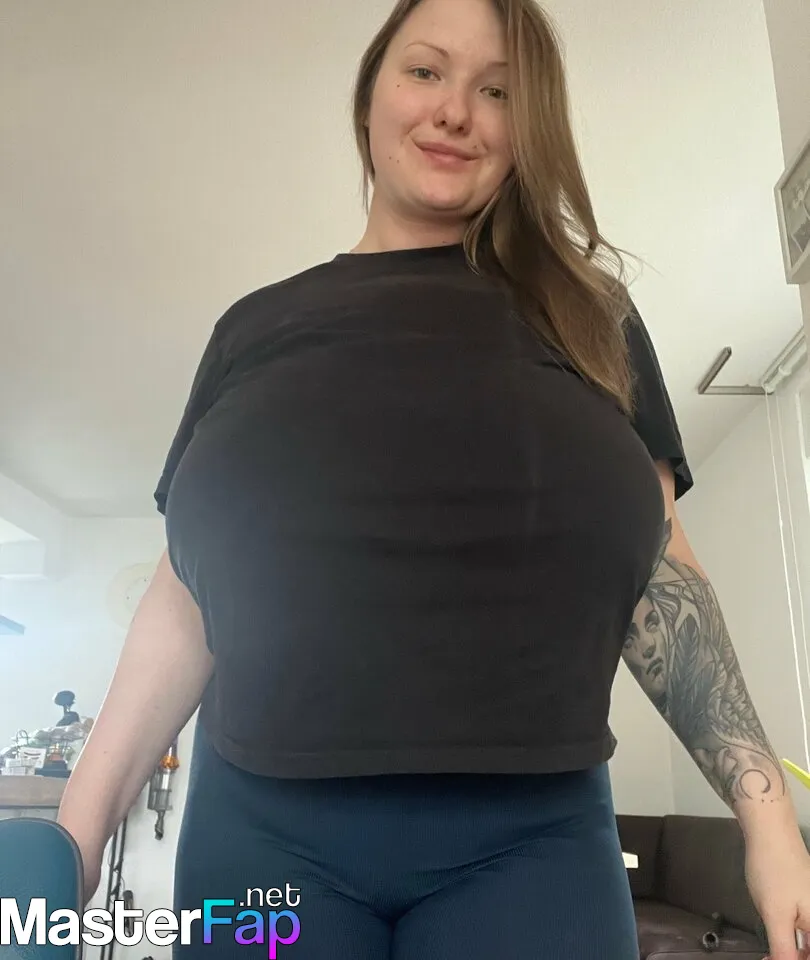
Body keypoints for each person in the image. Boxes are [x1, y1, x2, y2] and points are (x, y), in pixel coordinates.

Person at [57, 0, 810, 957]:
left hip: (534, 842)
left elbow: (661, 580)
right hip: (262, 832)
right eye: (425, 71)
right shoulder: (252, 331)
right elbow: (188, 597)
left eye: (498, 91)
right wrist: (74, 841)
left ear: (528, 131)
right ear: (369, 96)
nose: (456, 110)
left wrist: (770, 826)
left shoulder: (593, 321)